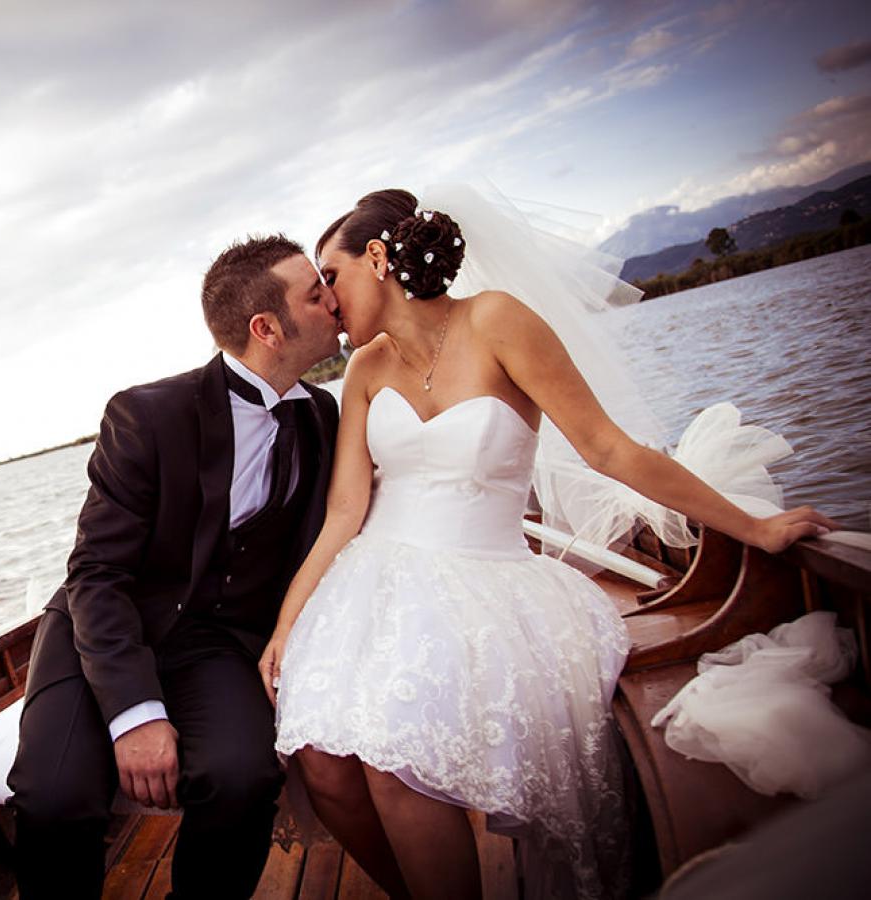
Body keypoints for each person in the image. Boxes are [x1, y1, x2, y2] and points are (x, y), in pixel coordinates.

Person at [258, 187, 838, 900]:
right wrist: (289, 623)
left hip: (485, 580)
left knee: (392, 763)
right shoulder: (364, 372)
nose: (327, 299)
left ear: (377, 259)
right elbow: (346, 509)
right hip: (372, 579)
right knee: (321, 765)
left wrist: (754, 527)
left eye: (332, 275)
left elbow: (608, 449)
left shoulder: (496, 320)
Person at [7, 234, 343, 900]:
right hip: (102, 631)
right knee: (54, 799)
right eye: (316, 293)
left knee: (244, 777)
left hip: (216, 642)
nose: (334, 301)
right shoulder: (146, 415)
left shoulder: (324, 416)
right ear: (266, 328)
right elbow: (97, 575)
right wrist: (135, 714)